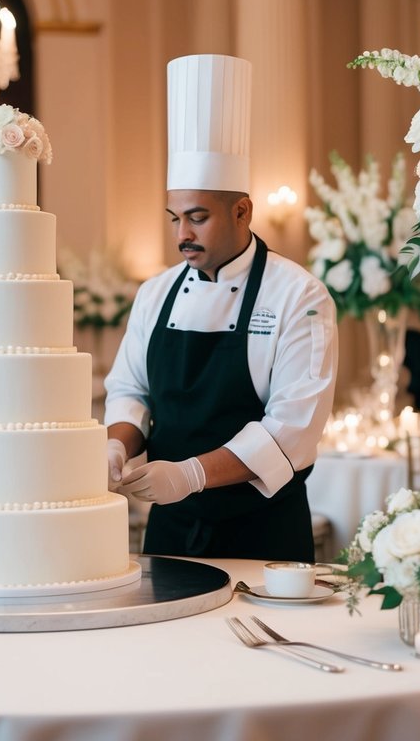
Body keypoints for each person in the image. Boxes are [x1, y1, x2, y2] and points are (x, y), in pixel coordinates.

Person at [103, 54, 339, 562]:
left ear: (242, 210)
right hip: (169, 529)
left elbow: (292, 432)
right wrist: (117, 446)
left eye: (198, 217)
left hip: (262, 534)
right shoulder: (155, 292)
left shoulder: (300, 295)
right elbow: (130, 391)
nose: (182, 235)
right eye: (174, 219)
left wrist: (190, 474)